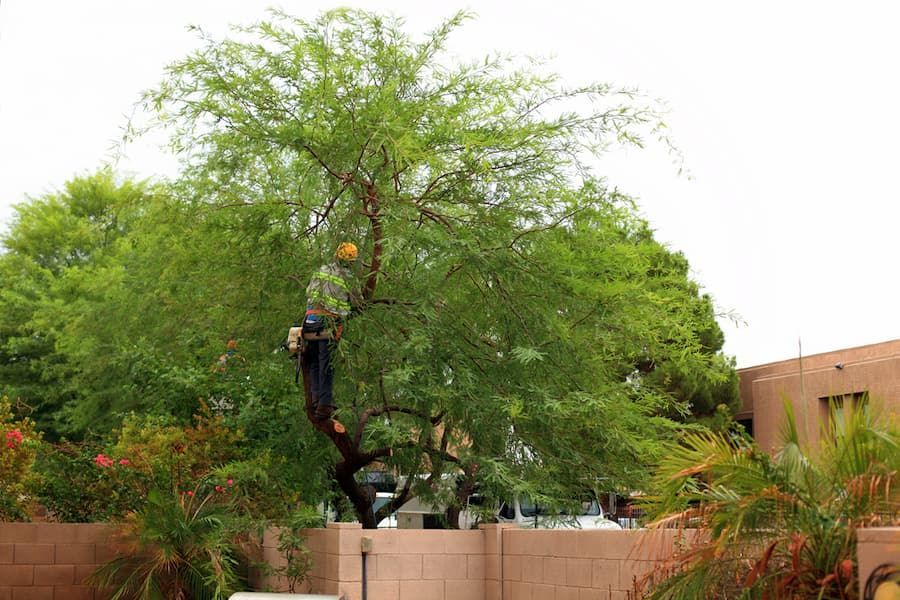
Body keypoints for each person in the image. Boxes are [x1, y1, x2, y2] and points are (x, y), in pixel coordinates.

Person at [303, 242, 358, 430]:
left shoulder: (321, 270)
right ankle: (324, 405)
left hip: (310, 323)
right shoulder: (349, 278)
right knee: (326, 365)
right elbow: (357, 302)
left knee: (314, 363)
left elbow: (309, 292)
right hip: (329, 325)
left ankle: (317, 400)